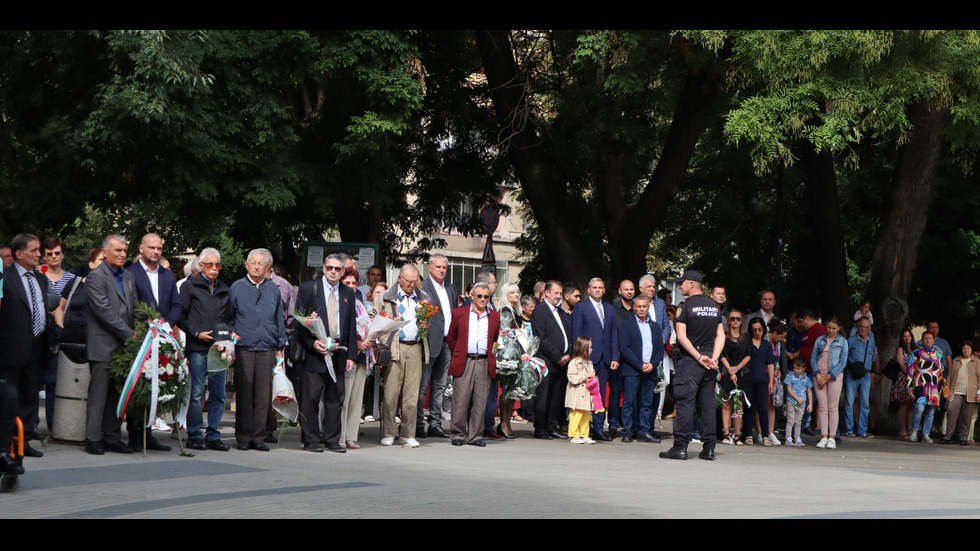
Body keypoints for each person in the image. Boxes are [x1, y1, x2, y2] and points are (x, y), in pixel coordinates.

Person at [124, 233, 182, 452]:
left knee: (156, 386)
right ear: (141, 248)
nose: (156, 251)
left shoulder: (168, 276)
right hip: (140, 338)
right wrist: (145, 325)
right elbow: (128, 305)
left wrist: (167, 324)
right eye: (152, 248)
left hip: (162, 338)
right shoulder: (130, 273)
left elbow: (177, 304)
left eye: (159, 248)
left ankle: (148, 433)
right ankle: (134, 434)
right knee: (138, 385)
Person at [295, 254, 357, 453]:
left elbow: (351, 325)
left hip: (338, 350)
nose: (333, 271)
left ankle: (332, 439)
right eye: (330, 267)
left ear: (342, 271)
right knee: (311, 398)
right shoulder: (308, 289)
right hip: (315, 351)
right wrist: (312, 342)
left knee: (335, 399)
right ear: (323, 268)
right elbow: (299, 321)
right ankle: (311, 439)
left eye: (337, 269)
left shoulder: (348, 292)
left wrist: (351, 356)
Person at [661, 270, 724, 461]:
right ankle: (709, 448)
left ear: (690, 284)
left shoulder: (684, 306)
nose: (679, 286)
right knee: (707, 404)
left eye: (681, 283)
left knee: (685, 402)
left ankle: (680, 447)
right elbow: (720, 335)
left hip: (691, 360)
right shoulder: (714, 307)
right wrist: (713, 357)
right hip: (709, 360)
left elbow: (681, 336)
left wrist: (698, 357)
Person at [84, 234, 137, 455]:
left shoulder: (128, 277)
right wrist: (129, 334)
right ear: (105, 253)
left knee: (117, 393)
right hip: (103, 345)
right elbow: (104, 312)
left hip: (123, 347)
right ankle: (93, 438)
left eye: (125, 250)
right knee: (99, 394)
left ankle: (113, 437)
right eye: (118, 250)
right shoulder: (96, 277)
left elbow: (133, 308)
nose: (123, 254)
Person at [229, 248, 287, 451]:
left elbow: (279, 318)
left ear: (267, 266)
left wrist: (280, 345)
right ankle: (243, 437)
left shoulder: (273, 289)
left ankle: (258, 438)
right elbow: (229, 317)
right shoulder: (236, 287)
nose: (256, 266)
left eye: (260, 263)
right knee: (244, 394)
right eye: (252, 263)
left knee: (263, 396)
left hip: (267, 348)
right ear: (246, 265)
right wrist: (230, 341)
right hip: (244, 347)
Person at [0, 234, 50, 457]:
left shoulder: (40, 279)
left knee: (30, 395)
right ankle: (6, 442)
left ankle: (25, 440)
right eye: (34, 250)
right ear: (19, 254)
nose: (39, 254)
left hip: (36, 346)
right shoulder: (5, 278)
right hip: (11, 349)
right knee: (11, 397)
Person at [371, 264, 432, 448]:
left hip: (415, 347)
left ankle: (408, 433)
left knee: (412, 395)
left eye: (415, 281)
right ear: (400, 279)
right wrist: (388, 323)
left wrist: (426, 323)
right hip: (394, 347)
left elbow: (428, 320)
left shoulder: (423, 298)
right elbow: (372, 318)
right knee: (391, 393)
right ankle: (389, 432)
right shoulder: (386, 297)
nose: (412, 285)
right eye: (408, 281)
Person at [178, 248, 233, 452]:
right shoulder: (190, 286)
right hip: (197, 347)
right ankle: (194, 434)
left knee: (218, 394)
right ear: (200, 266)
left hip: (219, 349)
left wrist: (228, 335)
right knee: (197, 392)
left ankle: (213, 434)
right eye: (210, 265)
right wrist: (196, 333)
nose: (214, 269)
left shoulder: (224, 289)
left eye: (217, 265)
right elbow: (181, 316)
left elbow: (229, 318)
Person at [447, 281, 500, 447]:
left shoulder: (495, 316)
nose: (483, 299)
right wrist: (459, 353)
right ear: (472, 296)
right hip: (465, 360)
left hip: (484, 361)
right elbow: (451, 338)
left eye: (486, 296)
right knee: (461, 399)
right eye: (479, 296)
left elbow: (496, 339)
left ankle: (476, 435)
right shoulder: (459, 313)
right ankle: (457, 433)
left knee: (480, 400)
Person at [571, 277, 618, 442]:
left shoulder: (609, 309)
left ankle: (598, 429)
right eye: (594, 287)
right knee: (582, 394)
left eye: (600, 287)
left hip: (605, 358)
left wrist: (614, 356)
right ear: (589, 290)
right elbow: (576, 334)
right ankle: (580, 429)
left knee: (600, 395)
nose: (598, 290)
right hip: (587, 358)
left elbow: (613, 334)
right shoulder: (581, 307)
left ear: (604, 290)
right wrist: (579, 357)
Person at [38, 237, 76, 434]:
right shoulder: (37, 274)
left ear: (63, 254)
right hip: (38, 332)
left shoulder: (71, 278)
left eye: (57, 253)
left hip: (59, 333)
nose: (53, 257)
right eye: (49, 254)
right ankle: (32, 423)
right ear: (43, 256)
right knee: (35, 379)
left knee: (53, 380)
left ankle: (53, 423)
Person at [417, 253, 458, 439]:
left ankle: (435, 423)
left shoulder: (450, 287)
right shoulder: (422, 287)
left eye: (444, 267)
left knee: (441, 385)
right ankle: (418, 423)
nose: (442, 270)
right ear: (430, 268)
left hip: (447, 342)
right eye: (438, 267)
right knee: (423, 385)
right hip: (428, 341)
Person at [617, 295, 665, 443]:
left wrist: (653, 364)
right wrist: (639, 364)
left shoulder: (655, 327)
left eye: (644, 306)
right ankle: (628, 431)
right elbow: (624, 348)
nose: (642, 309)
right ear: (634, 307)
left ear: (648, 307)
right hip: (632, 369)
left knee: (646, 402)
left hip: (650, 370)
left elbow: (659, 349)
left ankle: (644, 431)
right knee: (629, 402)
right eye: (639, 306)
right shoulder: (626, 325)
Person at [530, 280, 571, 440]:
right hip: (546, 360)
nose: (558, 296)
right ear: (546, 293)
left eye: (560, 294)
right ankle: (540, 427)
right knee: (544, 395)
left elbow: (567, 334)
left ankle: (552, 426)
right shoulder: (540, 311)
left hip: (562, 361)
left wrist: (568, 353)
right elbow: (542, 337)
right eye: (556, 293)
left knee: (556, 396)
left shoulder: (560, 312)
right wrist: (557, 356)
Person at [339, 267, 374, 450]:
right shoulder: (340, 302)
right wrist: (357, 344)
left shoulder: (359, 303)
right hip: (347, 356)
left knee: (356, 398)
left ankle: (352, 436)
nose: (351, 286)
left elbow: (367, 325)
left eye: (354, 283)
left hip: (361, 356)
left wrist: (369, 340)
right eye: (347, 283)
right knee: (344, 398)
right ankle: (340, 436)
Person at [54, 248, 105, 362]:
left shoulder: (112, 288)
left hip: (97, 344)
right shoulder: (74, 283)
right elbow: (59, 307)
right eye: (102, 260)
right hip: (69, 344)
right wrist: (60, 328)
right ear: (91, 264)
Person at [637, 274, 670, 437]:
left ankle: (650, 426)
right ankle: (638, 427)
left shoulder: (660, 303)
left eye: (653, 286)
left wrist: (662, 340)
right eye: (649, 286)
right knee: (641, 391)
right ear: (641, 288)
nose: (652, 289)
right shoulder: (637, 303)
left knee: (656, 389)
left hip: (658, 352)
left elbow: (666, 325)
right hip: (641, 353)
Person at [810, 317, 848, 449]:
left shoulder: (842, 341)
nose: (831, 330)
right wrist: (818, 374)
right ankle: (823, 436)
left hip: (834, 375)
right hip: (819, 374)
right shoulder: (820, 340)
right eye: (829, 327)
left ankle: (832, 437)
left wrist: (828, 376)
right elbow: (813, 358)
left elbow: (843, 362)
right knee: (822, 406)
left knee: (833, 407)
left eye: (833, 328)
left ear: (838, 328)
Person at [906, 331, 945, 444]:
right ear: (922, 340)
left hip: (934, 388)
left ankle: (926, 434)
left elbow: (941, 372)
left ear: (933, 340)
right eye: (925, 338)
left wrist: (941, 388)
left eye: (930, 338)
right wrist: (908, 385)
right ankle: (914, 431)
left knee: (930, 411)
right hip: (920, 385)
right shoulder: (916, 353)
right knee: (919, 408)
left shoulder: (938, 354)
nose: (928, 340)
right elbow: (910, 370)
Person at [939, 340, 980, 445]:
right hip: (956, 391)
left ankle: (963, 437)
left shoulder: (976, 361)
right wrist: (947, 386)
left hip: (970, 392)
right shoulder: (956, 360)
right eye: (964, 348)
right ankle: (947, 436)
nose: (966, 350)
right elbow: (949, 375)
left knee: (967, 416)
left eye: (968, 348)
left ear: (971, 350)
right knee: (952, 412)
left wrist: (978, 392)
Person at [743, 317, 776, 446]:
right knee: (748, 408)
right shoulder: (747, 342)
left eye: (760, 329)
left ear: (764, 329)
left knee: (763, 408)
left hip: (762, 379)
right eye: (754, 330)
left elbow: (770, 364)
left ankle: (765, 435)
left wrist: (771, 381)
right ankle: (748, 434)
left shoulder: (767, 344)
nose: (757, 332)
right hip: (748, 379)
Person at [719, 309, 750, 445]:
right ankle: (726, 433)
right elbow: (721, 354)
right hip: (727, 372)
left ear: (742, 321)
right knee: (726, 403)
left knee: (739, 405)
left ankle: (737, 434)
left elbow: (748, 355)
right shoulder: (724, 336)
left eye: (738, 318)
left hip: (742, 373)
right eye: (732, 318)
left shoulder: (746, 337)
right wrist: (731, 371)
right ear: (728, 321)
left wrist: (737, 369)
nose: (735, 321)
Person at [496, 282, 523, 437]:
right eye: (512, 292)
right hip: (509, 355)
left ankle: (506, 422)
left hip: (514, 353)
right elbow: (507, 333)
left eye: (517, 292)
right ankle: (504, 423)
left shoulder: (513, 310)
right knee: (507, 390)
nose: (516, 295)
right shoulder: (506, 310)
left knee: (511, 391)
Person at [844, 316, 877, 438]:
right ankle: (849, 429)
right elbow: (845, 357)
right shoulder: (850, 341)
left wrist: (875, 373)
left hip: (866, 375)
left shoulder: (871, 341)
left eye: (865, 327)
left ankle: (862, 430)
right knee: (849, 402)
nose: (863, 329)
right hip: (852, 374)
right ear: (858, 327)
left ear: (869, 329)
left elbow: (873, 358)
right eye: (861, 326)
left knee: (865, 403)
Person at [609, 279, 635, 437]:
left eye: (632, 289)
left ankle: (630, 427)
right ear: (620, 291)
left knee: (632, 394)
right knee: (615, 392)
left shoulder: (638, 309)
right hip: (617, 357)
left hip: (633, 359)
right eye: (626, 289)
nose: (629, 292)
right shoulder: (613, 310)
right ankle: (613, 424)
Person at [797, 309, 827, 435]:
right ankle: (801, 425)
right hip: (805, 369)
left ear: (808, 318)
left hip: (813, 371)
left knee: (810, 398)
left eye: (800, 321)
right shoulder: (808, 331)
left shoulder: (819, 329)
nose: (799, 324)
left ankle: (804, 424)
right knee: (803, 397)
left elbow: (824, 348)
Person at [566, 336, 598, 444]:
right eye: (589, 347)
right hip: (577, 393)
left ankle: (584, 434)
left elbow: (592, 374)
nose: (591, 350)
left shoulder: (589, 363)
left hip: (587, 393)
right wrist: (584, 376)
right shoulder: (574, 362)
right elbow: (571, 378)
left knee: (586, 414)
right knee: (576, 414)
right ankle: (574, 434)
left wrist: (594, 378)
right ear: (582, 348)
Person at [784, 357, 814, 447]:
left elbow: (809, 391)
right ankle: (788, 438)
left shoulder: (807, 379)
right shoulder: (790, 376)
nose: (796, 370)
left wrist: (811, 403)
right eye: (794, 368)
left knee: (798, 421)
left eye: (798, 368)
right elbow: (789, 389)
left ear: (804, 369)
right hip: (791, 401)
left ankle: (797, 438)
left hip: (802, 403)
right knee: (790, 420)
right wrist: (797, 398)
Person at [891, 329, 916, 439]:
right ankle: (902, 429)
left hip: (914, 380)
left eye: (909, 336)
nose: (907, 338)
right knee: (904, 404)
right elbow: (901, 364)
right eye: (905, 336)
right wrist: (909, 375)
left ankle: (910, 428)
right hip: (904, 378)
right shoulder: (900, 349)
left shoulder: (915, 349)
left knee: (911, 404)